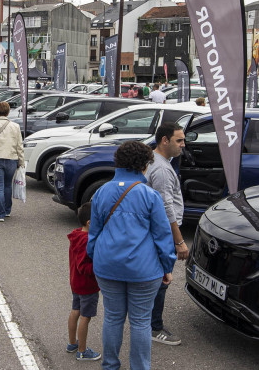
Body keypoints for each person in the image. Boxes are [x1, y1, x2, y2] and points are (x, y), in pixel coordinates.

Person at [87, 141, 175, 370]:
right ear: (144, 165)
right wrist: (167, 267)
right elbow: (163, 237)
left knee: (113, 318)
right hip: (144, 270)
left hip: (107, 266)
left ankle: (110, 365)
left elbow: (93, 234)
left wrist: (94, 257)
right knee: (140, 322)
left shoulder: (101, 192)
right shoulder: (150, 195)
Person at [145, 123, 188, 346]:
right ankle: (154, 327)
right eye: (179, 140)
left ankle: (145, 321)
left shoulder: (156, 160)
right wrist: (179, 241)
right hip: (163, 234)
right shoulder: (161, 168)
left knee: (155, 278)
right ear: (164, 140)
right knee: (162, 280)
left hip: (156, 232)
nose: (183, 144)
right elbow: (165, 206)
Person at [67, 203, 102, 362]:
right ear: (89, 222)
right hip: (87, 285)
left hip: (76, 282)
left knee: (75, 310)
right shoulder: (87, 241)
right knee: (85, 317)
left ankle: (72, 343)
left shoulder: (77, 235)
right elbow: (83, 266)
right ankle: (82, 351)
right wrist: (100, 266)